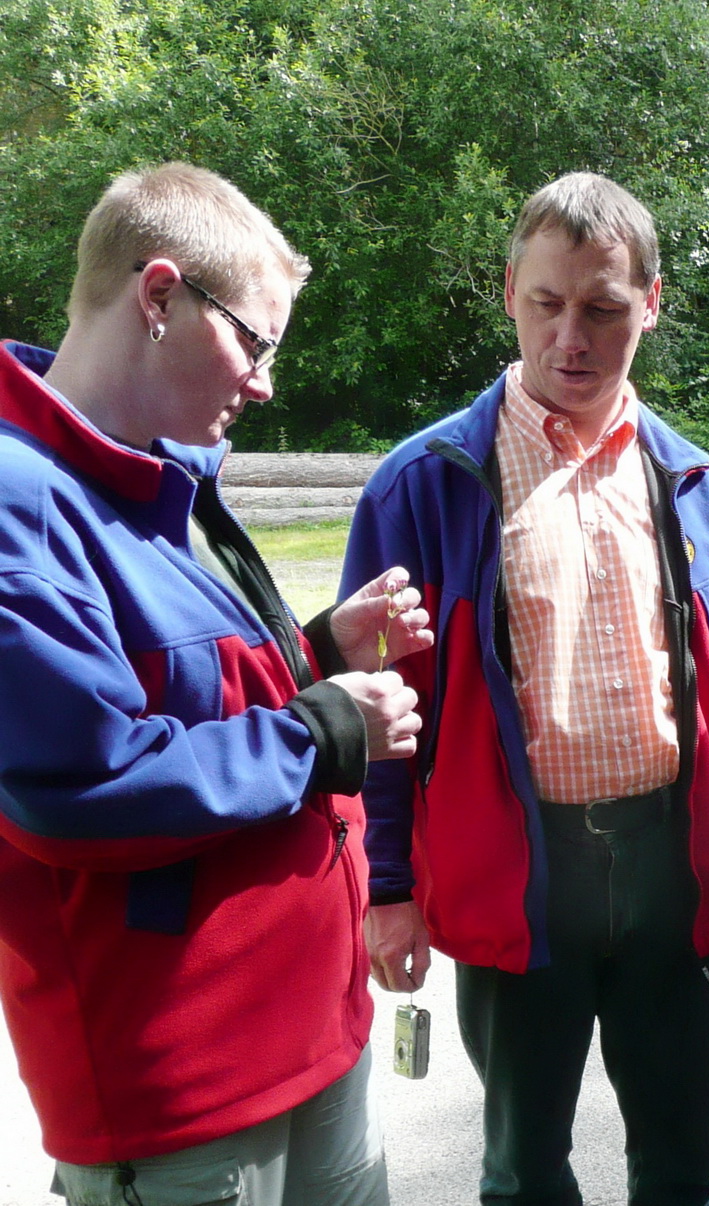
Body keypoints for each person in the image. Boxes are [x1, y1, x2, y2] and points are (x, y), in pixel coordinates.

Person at [341, 171, 709, 1206]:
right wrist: (388, 888)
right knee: (525, 1171)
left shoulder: (695, 484)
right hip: (520, 875)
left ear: (651, 304)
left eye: (603, 308)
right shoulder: (422, 487)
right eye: (546, 304)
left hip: (673, 867)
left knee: (685, 1167)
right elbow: (382, 711)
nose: (572, 338)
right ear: (509, 293)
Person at [0, 162, 429, 1205]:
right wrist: (326, 727)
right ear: (159, 296)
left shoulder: (155, 473)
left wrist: (317, 651)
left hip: (309, 1034)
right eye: (253, 341)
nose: (265, 382)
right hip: (183, 1089)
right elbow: (83, 789)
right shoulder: (21, 506)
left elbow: (188, 696)